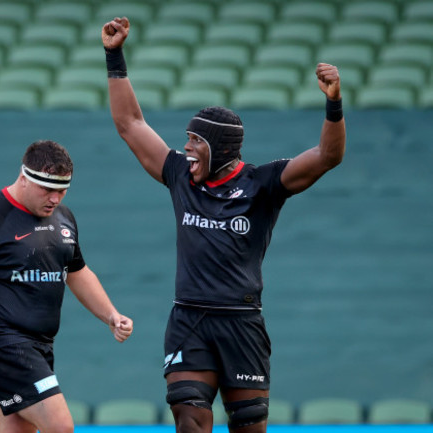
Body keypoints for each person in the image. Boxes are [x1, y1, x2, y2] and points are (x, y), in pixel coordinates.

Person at [102, 17, 346, 433]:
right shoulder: (180, 175)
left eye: (195, 141)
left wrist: (334, 103)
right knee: (189, 417)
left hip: (241, 322)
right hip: (189, 319)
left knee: (249, 426)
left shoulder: (263, 183)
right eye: (187, 139)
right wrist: (114, 56)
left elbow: (327, 157)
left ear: (220, 148)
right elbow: (131, 125)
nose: (186, 149)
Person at [0, 139, 134, 433]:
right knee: (61, 426)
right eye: (47, 189)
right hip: (3, 344)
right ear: (24, 178)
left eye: (62, 190)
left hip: (41, 345)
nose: (55, 198)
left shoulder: (64, 218)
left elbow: (76, 271)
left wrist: (111, 316)